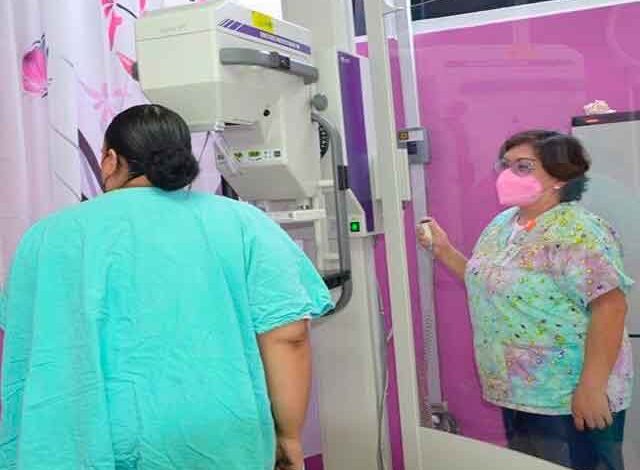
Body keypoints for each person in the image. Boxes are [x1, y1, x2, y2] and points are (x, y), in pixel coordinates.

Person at [0, 104, 333, 470]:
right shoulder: (244, 224)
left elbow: (26, 342)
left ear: (110, 160)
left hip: (81, 439)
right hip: (213, 438)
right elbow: (288, 336)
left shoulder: (46, 237)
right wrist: (288, 435)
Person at [418, 130, 634, 470]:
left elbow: (610, 307)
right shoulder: (503, 225)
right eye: (506, 165)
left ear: (559, 177)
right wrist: (443, 250)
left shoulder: (579, 231)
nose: (508, 174)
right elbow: (488, 283)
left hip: (567, 394)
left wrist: (592, 388)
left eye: (523, 166)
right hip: (519, 391)